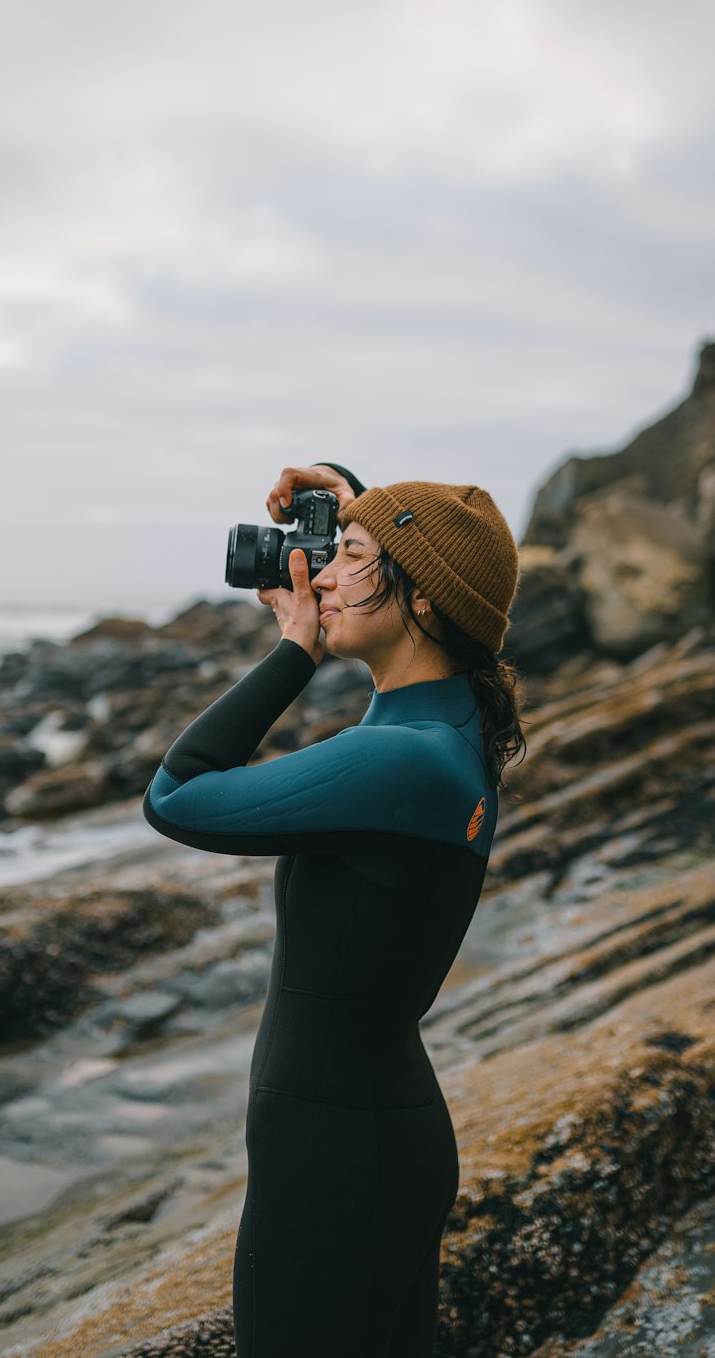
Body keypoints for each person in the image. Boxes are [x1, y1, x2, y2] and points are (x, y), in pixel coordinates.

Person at [143, 463, 525, 1358]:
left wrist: (295, 650)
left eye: (348, 557)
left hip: (334, 1166)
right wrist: (348, 500)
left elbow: (178, 794)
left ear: (424, 602)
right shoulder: (446, 727)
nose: (321, 575)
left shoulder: (403, 760)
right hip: (375, 1140)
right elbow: (439, 558)